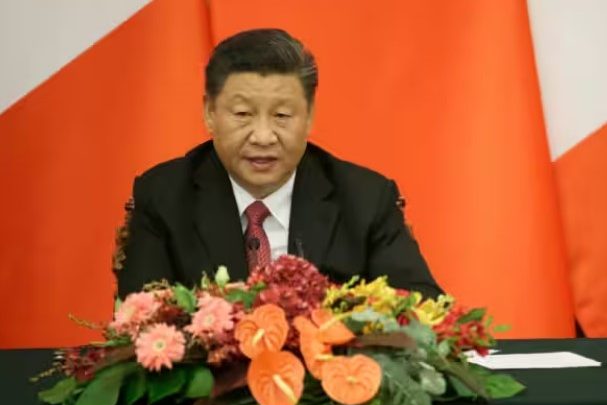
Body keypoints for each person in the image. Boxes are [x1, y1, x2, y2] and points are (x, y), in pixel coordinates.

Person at [114, 28, 441, 299]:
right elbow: (140, 323)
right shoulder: (165, 197)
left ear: (309, 115)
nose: (263, 136)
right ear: (209, 112)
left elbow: (423, 310)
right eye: (243, 114)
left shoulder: (365, 199)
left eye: (282, 115)